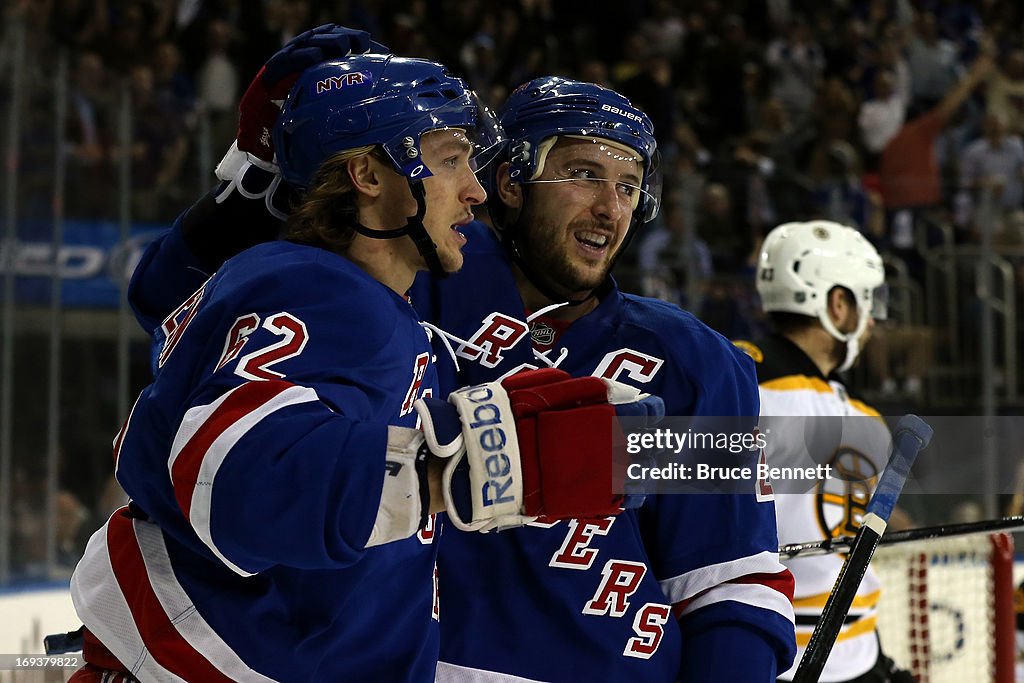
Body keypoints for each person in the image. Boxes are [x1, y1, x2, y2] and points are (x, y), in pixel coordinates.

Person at [127, 36, 797, 682]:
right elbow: (178, 307)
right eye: (582, 173)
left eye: (628, 185)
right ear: (509, 180)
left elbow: (729, 576)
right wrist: (258, 180)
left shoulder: (695, 362)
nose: (609, 207)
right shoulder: (412, 266)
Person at [733, 220, 914, 682]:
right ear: (837, 304)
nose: (871, 320)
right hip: (836, 659)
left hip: (749, 649)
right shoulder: (860, 420)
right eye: (865, 301)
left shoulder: (722, 377)